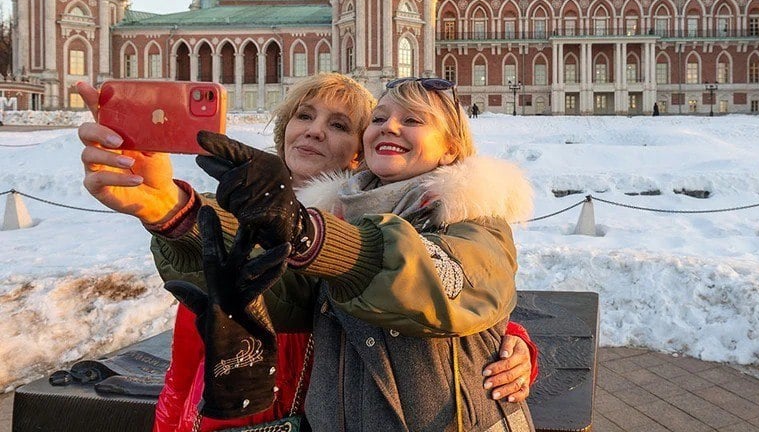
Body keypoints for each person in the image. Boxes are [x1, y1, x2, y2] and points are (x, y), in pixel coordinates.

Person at [77, 74, 536, 432]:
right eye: (379, 118)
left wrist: (509, 336)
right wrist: (174, 210)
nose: (390, 126)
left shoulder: (474, 215)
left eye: (412, 119)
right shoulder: (329, 213)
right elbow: (276, 288)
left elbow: (446, 279)